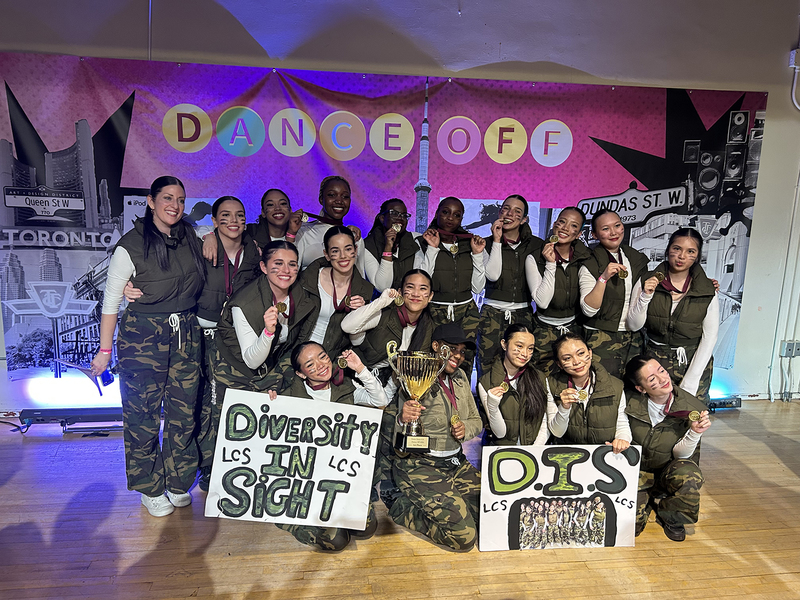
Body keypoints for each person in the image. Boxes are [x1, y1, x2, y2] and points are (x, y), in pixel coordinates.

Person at [90, 176, 205, 517]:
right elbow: (111, 301)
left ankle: (178, 480)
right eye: (167, 198)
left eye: (180, 199)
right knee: (142, 416)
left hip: (185, 333)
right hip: (142, 337)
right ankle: (149, 487)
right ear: (151, 202)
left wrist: (213, 237)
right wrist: (104, 351)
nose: (175, 205)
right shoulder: (130, 245)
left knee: (183, 413)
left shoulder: (192, 237)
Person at [272, 342, 389, 551]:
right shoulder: (289, 397)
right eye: (310, 364)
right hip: (312, 482)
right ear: (300, 374)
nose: (320, 365)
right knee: (336, 541)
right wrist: (269, 404)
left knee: (366, 529)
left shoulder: (346, 388)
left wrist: (360, 368)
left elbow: (381, 400)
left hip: (343, 477)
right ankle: (295, 523)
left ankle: (342, 510)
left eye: (323, 357)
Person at [340, 269, 435, 506]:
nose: (416, 293)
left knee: (397, 419)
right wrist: (382, 301)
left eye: (423, 289)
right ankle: (359, 482)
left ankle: (390, 480)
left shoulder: (428, 326)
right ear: (401, 292)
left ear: (430, 296)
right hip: (358, 376)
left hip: (394, 381)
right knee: (360, 427)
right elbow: (348, 326)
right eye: (410, 287)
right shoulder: (385, 314)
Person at [389, 323, 482, 551]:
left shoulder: (461, 377)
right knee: (464, 537)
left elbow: (477, 421)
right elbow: (397, 440)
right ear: (436, 346)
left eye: (462, 351)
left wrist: (465, 428)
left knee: (490, 514)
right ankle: (403, 508)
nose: (458, 356)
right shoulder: (415, 375)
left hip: (456, 463)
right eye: (452, 349)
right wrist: (402, 419)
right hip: (421, 466)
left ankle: (449, 501)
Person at [194, 197, 261, 490]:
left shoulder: (253, 251)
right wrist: (206, 235)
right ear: (214, 220)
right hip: (204, 334)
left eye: (239, 215)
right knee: (207, 401)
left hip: (235, 337)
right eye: (225, 215)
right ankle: (208, 465)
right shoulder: (202, 246)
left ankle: (235, 461)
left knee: (231, 401)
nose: (233, 221)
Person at [626, 227, 719, 404]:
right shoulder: (647, 279)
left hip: (693, 360)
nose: (682, 256)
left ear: (697, 256)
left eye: (690, 251)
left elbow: (710, 337)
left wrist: (691, 379)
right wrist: (646, 296)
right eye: (677, 248)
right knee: (654, 411)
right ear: (668, 249)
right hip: (655, 361)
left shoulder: (707, 289)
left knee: (691, 412)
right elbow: (634, 325)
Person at [624, 354, 711, 541]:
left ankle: (670, 515)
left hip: (666, 470)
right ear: (641, 388)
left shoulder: (692, 409)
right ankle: (646, 500)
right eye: (652, 379)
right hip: (636, 473)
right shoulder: (627, 401)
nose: (663, 379)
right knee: (630, 528)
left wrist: (695, 432)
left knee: (690, 476)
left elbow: (683, 457)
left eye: (662, 371)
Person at [214, 241, 315, 394]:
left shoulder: (301, 294)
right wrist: (268, 333)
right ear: (264, 267)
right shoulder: (245, 303)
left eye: (292, 264)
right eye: (278, 263)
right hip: (235, 369)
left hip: (271, 364)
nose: (286, 270)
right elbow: (251, 361)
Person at [579, 209, 650, 379]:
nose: (613, 232)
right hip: (600, 337)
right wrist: (603, 278)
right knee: (603, 387)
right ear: (595, 235)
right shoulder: (589, 262)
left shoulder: (636, 258)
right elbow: (588, 310)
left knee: (632, 388)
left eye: (617, 225)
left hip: (634, 337)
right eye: (605, 229)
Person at [421, 197, 486, 377]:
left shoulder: (470, 243)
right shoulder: (423, 241)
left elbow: (478, 288)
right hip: (436, 311)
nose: (450, 218)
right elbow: (423, 281)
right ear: (437, 213)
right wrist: (432, 248)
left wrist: (477, 254)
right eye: (445, 212)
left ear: (461, 219)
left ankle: (460, 393)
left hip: (467, 313)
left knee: (463, 360)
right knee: (434, 359)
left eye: (457, 215)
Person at [478, 194, 542, 377]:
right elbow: (490, 276)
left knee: (522, 369)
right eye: (506, 208)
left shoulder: (537, 245)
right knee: (487, 365)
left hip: (523, 314)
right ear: (499, 212)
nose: (509, 214)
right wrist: (496, 240)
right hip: (491, 313)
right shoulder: (485, 244)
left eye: (517, 211)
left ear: (524, 219)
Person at [526, 207, 591, 374]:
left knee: (573, 379)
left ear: (578, 234)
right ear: (554, 224)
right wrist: (550, 264)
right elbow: (542, 302)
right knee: (541, 379)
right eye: (562, 222)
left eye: (573, 226)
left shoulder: (586, 258)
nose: (565, 228)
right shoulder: (534, 257)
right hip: (543, 330)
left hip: (574, 329)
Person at [546, 332, 632, 452]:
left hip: (604, 453)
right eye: (567, 358)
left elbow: (622, 425)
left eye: (581, 353)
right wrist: (564, 408)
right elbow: (557, 432)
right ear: (559, 364)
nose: (576, 361)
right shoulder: (551, 384)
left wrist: (622, 440)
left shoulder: (615, 385)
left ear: (590, 353)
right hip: (568, 453)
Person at [299, 226, 375, 360]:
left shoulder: (364, 290)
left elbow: (357, 341)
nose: (343, 256)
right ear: (327, 254)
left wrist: (360, 313)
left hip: (334, 359)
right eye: (335, 251)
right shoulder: (309, 278)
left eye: (348, 249)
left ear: (355, 250)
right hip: (300, 353)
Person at [478, 324, 550, 445]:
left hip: (534, 450)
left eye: (530, 348)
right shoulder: (486, 382)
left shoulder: (539, 378)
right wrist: (493, 406)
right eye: (519, 346)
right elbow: (499, 433)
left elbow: (545, 422)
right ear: (504, 344)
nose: (525, 354)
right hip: (502, 450)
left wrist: (534, 450)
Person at [202, 188, 303, 264]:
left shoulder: (303, 233)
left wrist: (291, 234)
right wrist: (209, 236)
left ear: (290, 210)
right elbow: (203, 229)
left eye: (283, 204)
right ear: (263, 212)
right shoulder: (250, 231)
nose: (277, 208)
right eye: (270, 205)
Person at [295, 175, 366, 274]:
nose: (339, 201)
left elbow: (359, 277)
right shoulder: (304, 231)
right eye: (332, 195)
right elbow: (290, 271)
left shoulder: (355, 236)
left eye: (345, 196)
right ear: (321, 199)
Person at [363, 198, 426, 291]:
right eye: (394, 213)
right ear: (382, 218)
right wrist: (388, 248)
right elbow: (382, 287)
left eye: (404, 215)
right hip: (381, 300)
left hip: (410, 298)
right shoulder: (368, 245)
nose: (400, 218)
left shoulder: (416, 240)